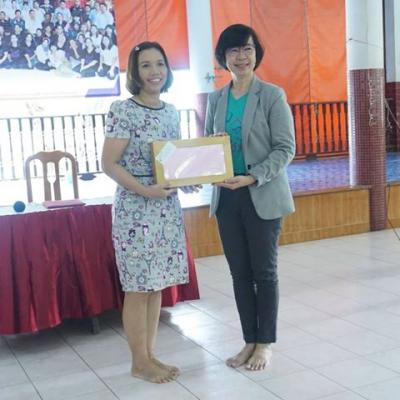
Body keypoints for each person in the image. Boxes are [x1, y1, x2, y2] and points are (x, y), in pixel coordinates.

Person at [205, 24, 295, 371]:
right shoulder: (216, 99)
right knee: (239, 274)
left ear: (256, 54)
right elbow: (209, 146)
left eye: (247, 49)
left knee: (264, 272)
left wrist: (254, 175)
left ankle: (265, 343)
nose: (241, 57)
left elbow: (285, 148)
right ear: (223, 56)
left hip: (261, 192)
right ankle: (249, 340)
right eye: (234, 50)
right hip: (227, 197)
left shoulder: (271, 95)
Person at [101, 41, 191, 384]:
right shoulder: (123, 110)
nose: (155, 72)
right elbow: (109, 164)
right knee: (138, 287)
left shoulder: (170, 111)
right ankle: (138, 362)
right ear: (135, 73)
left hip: (165, 209)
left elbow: (173, 160)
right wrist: (146, 190)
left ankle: (150, 355)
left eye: (160, 64)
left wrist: (188, 178)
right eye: (146, 66)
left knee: (155, 286)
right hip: (135, 210)